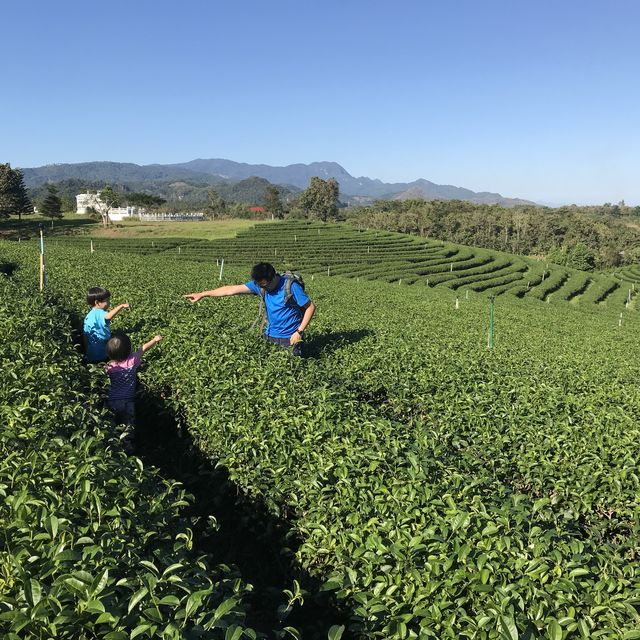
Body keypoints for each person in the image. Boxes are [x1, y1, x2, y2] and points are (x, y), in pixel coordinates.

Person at [184, 262, 315, 356]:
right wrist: (202, 294)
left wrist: (299, 332)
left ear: (274, 277)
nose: (263, 288)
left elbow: (310, 307)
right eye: (259, 285)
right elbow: (231, 289)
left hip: (290, 338)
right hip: (269, 336)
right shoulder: (261, 285)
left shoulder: (290, 286)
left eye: (264, 284)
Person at [105, 332, 162, 452]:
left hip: (112, 401)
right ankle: (127, 444)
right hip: (128, 401)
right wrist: (155, 339)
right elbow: (143, 348)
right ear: (128, 350)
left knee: (112, 423)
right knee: (128, 423)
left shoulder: (109, 367)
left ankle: (112, 443)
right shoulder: (132, 361)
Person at [83, 287, 129, 362]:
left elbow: (85, 336)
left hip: (91, 352)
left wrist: (86, 350)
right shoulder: (100, 312)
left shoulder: (88, 316)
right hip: (102, 351)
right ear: (97, 303)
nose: (109, 303)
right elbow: (109, 316)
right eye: (107, 300)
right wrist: (121, 306)